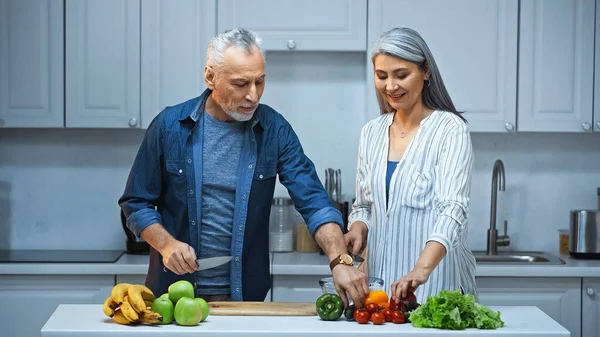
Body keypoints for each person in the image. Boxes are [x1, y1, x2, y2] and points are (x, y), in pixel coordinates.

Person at [118, 27, 368, 305]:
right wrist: (166, 244)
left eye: (260, 82)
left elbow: (314, 201)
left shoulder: (274, 130)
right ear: (210, 76)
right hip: (174, 296)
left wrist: (339, 260)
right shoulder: (168, 127)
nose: (253, 95)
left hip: (245, 297)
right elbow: (135, 203)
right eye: (240, 84)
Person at [344, 27, 477, 305]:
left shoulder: (449, 129)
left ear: (425, 71)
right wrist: (358, 227)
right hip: (383, 290)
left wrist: (421, 269)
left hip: (436, 284)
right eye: (382, 76)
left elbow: (452, 210)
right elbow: (364, 206)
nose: (390, 86)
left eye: (401, 75)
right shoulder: (371, 132)